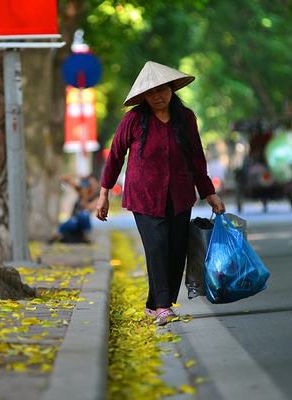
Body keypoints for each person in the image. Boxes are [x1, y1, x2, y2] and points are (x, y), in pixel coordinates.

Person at [95, 61, 225, 326]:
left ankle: (154, 304)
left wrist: (209, 193)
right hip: (144, 196)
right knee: (156, 247)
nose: (156, 97)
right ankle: (164, 307)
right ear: (143, 96)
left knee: (176, 251)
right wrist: (104, 194)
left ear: (171, 89)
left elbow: (197, 158)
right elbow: (116, 156)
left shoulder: (186, 118)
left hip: (179, 194)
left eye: (161, 91)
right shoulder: (133, 119)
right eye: (150, 93)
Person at [50, 173, 99, 243]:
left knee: (84, 214)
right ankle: (55, 235)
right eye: (89, 183)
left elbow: (87, 208)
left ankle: (85, 236)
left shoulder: (97, 197)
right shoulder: (81, 189)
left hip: (84, 224)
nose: (91, 186)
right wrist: (77, 175)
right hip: (74, 220)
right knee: (73, 221)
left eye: (93, 183)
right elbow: (63, 179)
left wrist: (84, 196)